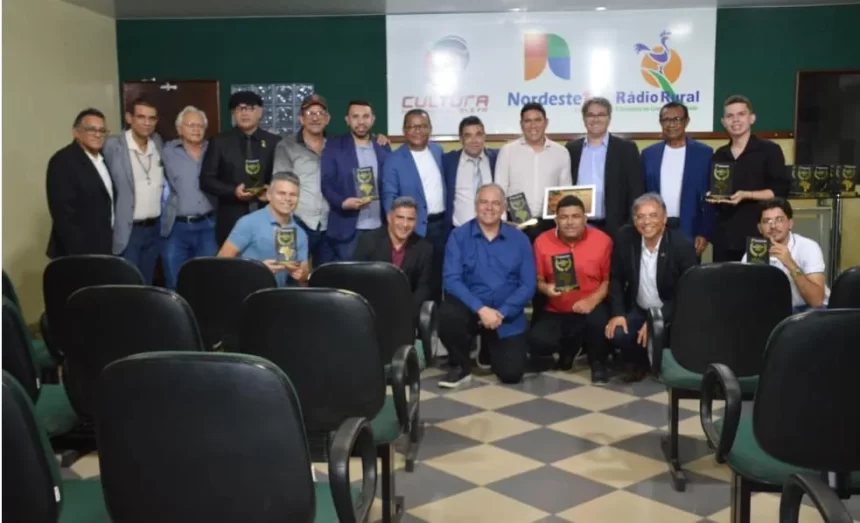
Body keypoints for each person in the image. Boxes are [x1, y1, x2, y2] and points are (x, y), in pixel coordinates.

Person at [437, 184, 536, 388]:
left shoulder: (520, 239)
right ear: (475, 206)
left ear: (504, 207)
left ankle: (489, 347)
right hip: (471, 310)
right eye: (484, 202)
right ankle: (461, 366)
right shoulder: (458, 236)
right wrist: (481, 309)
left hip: (506, 314)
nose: (489, 208)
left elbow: (528, 285)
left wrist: (502, 312)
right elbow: (451, 280)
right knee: (447, 314)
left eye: (495, 203)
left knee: (511, 374)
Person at [605, 193, 697, 382]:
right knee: (618, 333)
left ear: (664, 219)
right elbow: (616, 278)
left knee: (663, 336)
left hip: (671, 311)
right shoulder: (625, 239)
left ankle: (663, 358)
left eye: (653, 215)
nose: (646, 222)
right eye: (640, 216)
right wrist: (618, 313)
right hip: (639, 308)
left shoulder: (682, 245)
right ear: (634, 221)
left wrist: (657, 319)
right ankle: (638, 362)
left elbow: (688, 292)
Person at [529, 195, 613, 384]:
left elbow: (608, 280)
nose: (569, 222)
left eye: (575, 216)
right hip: (556, 309)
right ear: (556, 220)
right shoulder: (542, 241)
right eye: (564, 217)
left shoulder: (603, 240)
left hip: (592, 306)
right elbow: (537, 280)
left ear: (585, 218)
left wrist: (591, 301)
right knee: (538, 341)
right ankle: (569, 347)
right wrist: (546, 288)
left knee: (598, 323)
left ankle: (598, 363)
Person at [707, 95, 790, 262]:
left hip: (757, 235)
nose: (735, 120)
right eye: (730, 116)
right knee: (722, 278)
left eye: (741, 114)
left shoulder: (770, 150)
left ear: (752, 118)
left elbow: (780, 190)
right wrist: (713, 196)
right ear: (723, 122)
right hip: (724, 237)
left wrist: (747, 195)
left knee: (755, 278)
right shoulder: (720, 154)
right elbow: (719, 190)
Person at [200, 91, 282, 246]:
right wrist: (233, 191)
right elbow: (206, 179)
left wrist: (271, 190)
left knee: (267, 258)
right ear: (233, 113)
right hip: (231, 217)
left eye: (250, 108)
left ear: (260, 112)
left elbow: (282, 177)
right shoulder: (219, 142)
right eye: (239, 108)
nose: (244, 113)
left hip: (267, 214)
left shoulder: (274, 142)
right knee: (231, 261)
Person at [382, 109, 447, 300]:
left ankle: (433, 316)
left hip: (440, 227)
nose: (417, 131)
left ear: (430, 129)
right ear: (404, 130)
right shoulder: (393, 160)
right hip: (411, 229)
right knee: (413, 282)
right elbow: (389, 197)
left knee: (436, 280)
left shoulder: (437, 151)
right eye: (412, 126)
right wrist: (396, 229)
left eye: (422, 126)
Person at [102, 98, 168, 284]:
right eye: (141, 117)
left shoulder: (157, 142)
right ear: (129, 118)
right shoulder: (113, 146)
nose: (147, 123)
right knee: (128, 283)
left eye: (152, 118)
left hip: (154, 229)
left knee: (147, 282)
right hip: (128, 229)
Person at [641, 102, 714, 257]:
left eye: (677, 119)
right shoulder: (649, 154)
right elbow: (643, 193)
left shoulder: (704, 153)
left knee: (689, 271)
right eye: (666, 120)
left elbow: (711, 196)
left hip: (690, 229)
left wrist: (704, 232)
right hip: (656, 228)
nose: (671, 124)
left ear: (686, 121)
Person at [322, 99, 392, 261]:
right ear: (347, 120)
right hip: (347, 229)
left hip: (379, 228)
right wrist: (342, 203)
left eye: (365, 116)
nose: (361, 121)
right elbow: (326, 183)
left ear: (373, 119)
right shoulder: (334, 146)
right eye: (355, 116)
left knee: (377, 275)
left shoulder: (383, 146)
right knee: (351, 275)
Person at [566, 97, 644, 238]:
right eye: (590, 115)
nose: (595, 119)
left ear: (609, 118)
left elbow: (636, 190)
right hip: (579, 226)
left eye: (601, 114)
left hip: (616, 227)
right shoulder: (572, 149)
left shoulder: (627, 149)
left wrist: (629, 226)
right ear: (584, 119)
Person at [495, 103, 571, 243]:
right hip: (516, 224)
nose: (533, 125)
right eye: (528, 121)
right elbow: (499, 190)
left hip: (550, 224)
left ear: (546, 122)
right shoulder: (508, 151)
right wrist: (503, 224)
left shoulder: (561, 152)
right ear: (521, 124)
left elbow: (565, 191)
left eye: (537, 120)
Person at [217, 172, 309, 287]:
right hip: (245, 293)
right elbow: (219, 264)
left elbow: (304, 275)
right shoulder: (248, 223)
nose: (287, 198)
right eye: (281, 193)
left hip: (277, 295)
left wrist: (300, 273)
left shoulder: (300, 233)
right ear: (269, 195)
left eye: (293, 194)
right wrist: (258, 270)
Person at [160, 106, 217, 289]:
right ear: (179, 129)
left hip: (208, 226)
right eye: (191, 125)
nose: (196, 129)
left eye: (200, 125)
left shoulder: (214, 149)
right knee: (174, 279)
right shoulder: (166, 151)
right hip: (176, 227)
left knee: (208, 280)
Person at [273, 94, 334, 265]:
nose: (315, 118)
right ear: (301, 118)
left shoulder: (335, 146)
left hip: (329, 224)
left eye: (320, 113)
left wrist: (378, 138)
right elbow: (280, 185)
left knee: (326, 275)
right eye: (309, 113)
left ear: (327, 119)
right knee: (291, 272)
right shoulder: (286, 146)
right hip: (297, 221)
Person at [46, 108, 114, 258]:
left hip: (104, 247)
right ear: (76, 132)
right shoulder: (63, 161)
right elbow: (63, 215)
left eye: (102, 131)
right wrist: (81, 255)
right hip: (78, 253)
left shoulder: (103, 159)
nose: (98, 134)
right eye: (91, 130)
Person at [740, 198, 830, 312]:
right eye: (767, 221)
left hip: (809, 310)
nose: (773, 226)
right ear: (760, 228)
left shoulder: (808, 247)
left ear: (790, 223)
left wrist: (791, 265)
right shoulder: (752, 253)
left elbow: (816, 301)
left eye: (779, 219)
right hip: (774, 312)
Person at [353, 196, 433, 324]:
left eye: (410, 219)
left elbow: (423, 289)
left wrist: (405, 313)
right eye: (400, 217)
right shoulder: (368, 241)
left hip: (406, 314)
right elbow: (356, 281)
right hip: (371, 313)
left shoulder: (425, 248)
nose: (405, 224)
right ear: (389, 218)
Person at [442, 116, 499, 229]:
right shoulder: (448, 161)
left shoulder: (497, 158)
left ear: (484, 136)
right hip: (459, 230)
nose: (474, 140)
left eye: (478, 135)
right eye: (468, 135)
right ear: (461, 139)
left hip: (492, 229)